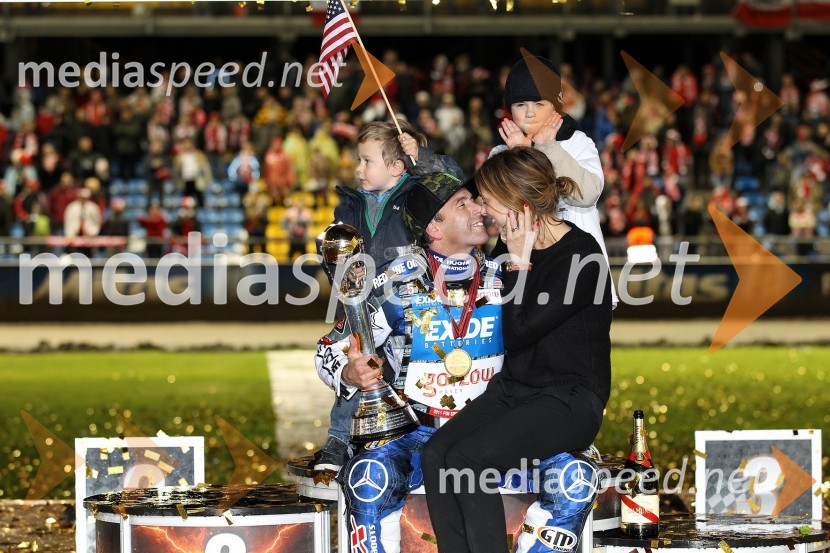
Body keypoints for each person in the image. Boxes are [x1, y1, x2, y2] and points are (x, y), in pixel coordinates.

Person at [422, 148, 611, 553]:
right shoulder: (507, 250)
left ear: (518, 205)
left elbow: (520, 332)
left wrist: (521, 264)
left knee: (469, 461)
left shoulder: (583, 258)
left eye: (487, 200)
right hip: (515, 389)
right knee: (436, 454)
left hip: (569, 398)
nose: (481, 208)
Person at [315, 172, 502, 553]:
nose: (479, 209)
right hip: (416, 433)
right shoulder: (396, 284)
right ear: (434, 227)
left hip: (494, 431)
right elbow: (328, 350)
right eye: (463, 204)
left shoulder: (507, 277)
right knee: (368, 479)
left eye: (474, 200)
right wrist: (350, 372)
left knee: (573, 477)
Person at [313, 119, 463, 472]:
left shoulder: (415, 195)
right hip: (363, 305)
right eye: (359, 160)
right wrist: (339, 266)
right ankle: (339, 438)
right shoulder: (349, 204)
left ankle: (413, 439)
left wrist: (422, 157)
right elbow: (334, 252)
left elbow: (453, 181)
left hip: (407, 305)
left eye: (367, 161)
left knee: (409, 376)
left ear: (397, 167)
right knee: (359, 363)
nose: (358, 168)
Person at [491, 54, 617, 306]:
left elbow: (586, 194)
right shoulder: (500, 154)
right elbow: (497, 213)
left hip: (580, 272)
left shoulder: (577, 142)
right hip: (524, 274)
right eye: (520, 104)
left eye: (539, 103)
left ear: (556, 106)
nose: (529, 113)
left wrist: (545, 149)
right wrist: (521, 153)